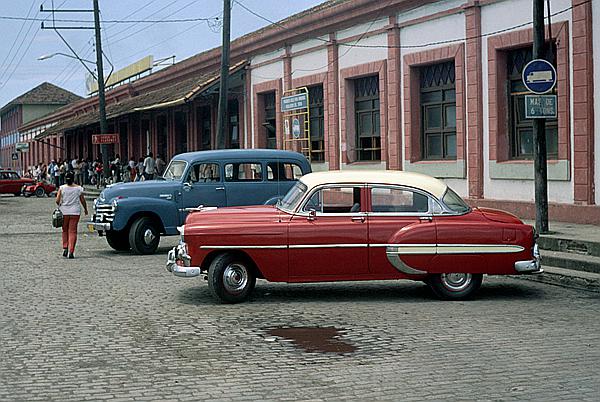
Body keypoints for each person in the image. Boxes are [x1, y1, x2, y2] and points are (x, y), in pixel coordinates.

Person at [55, 172, 88, 259]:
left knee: (64, 230)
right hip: (75, 212)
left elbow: (57, 200)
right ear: (74, 179)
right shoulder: (79, 189)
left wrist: (61, 204)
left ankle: (65, 247)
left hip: (64, 212)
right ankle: (71, 251)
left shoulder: (62, 188)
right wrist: (85, 209)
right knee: (73, 232)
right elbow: (82, 200)